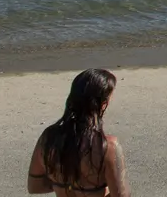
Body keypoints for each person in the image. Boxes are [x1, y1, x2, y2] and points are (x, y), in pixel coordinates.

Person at [28, 68, 130, 197]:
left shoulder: (49, 138)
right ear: (103, 104)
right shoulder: (108, 146)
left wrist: (65, 183)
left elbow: (34, 186)